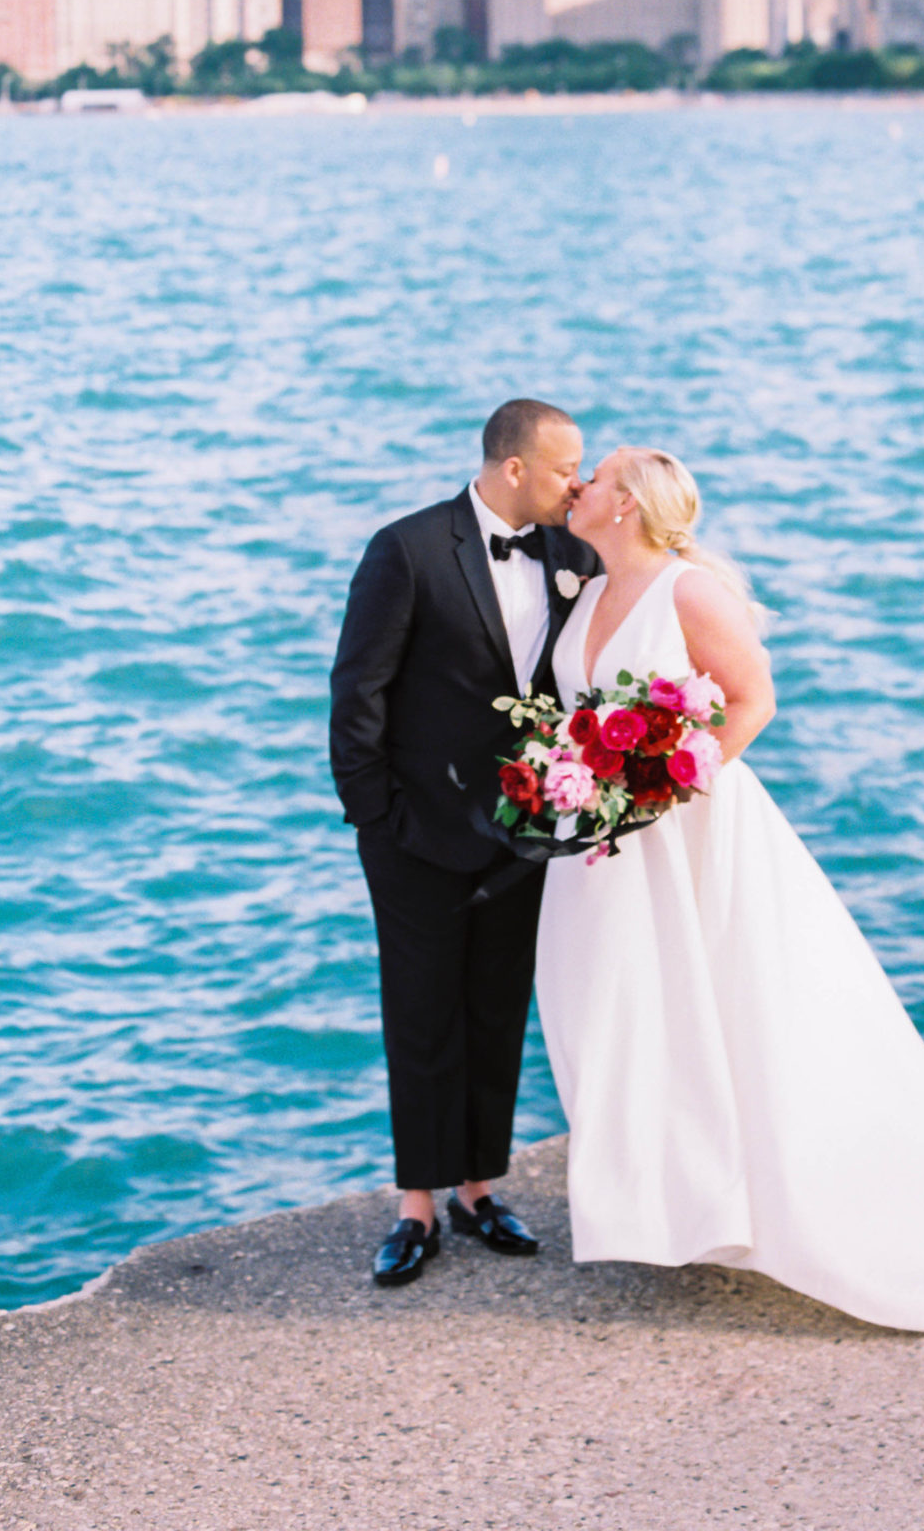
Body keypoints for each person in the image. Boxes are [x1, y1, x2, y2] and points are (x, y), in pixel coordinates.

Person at [534, 446, 924, 1331]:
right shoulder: (586, 589)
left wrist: (668, 784)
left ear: (628, 506)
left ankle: (796, 1203)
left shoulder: (687, 590)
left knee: (741, 1009)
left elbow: (752, 699)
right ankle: (682, 1203)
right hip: (606, 843)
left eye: (596, 476)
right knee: (635, 1012)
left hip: (688, 828)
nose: (579, 486)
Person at [328, 398, 600, 1286]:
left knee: (495, 1008)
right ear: (515, 467)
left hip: (526, 834)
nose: (580, 483)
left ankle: (479, 1188)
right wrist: (378, 819)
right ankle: (416, 1203)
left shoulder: (574, 556)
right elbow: (357, 692)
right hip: (414, 835)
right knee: (420, 1011)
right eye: (567, 469)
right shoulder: (405, 549)